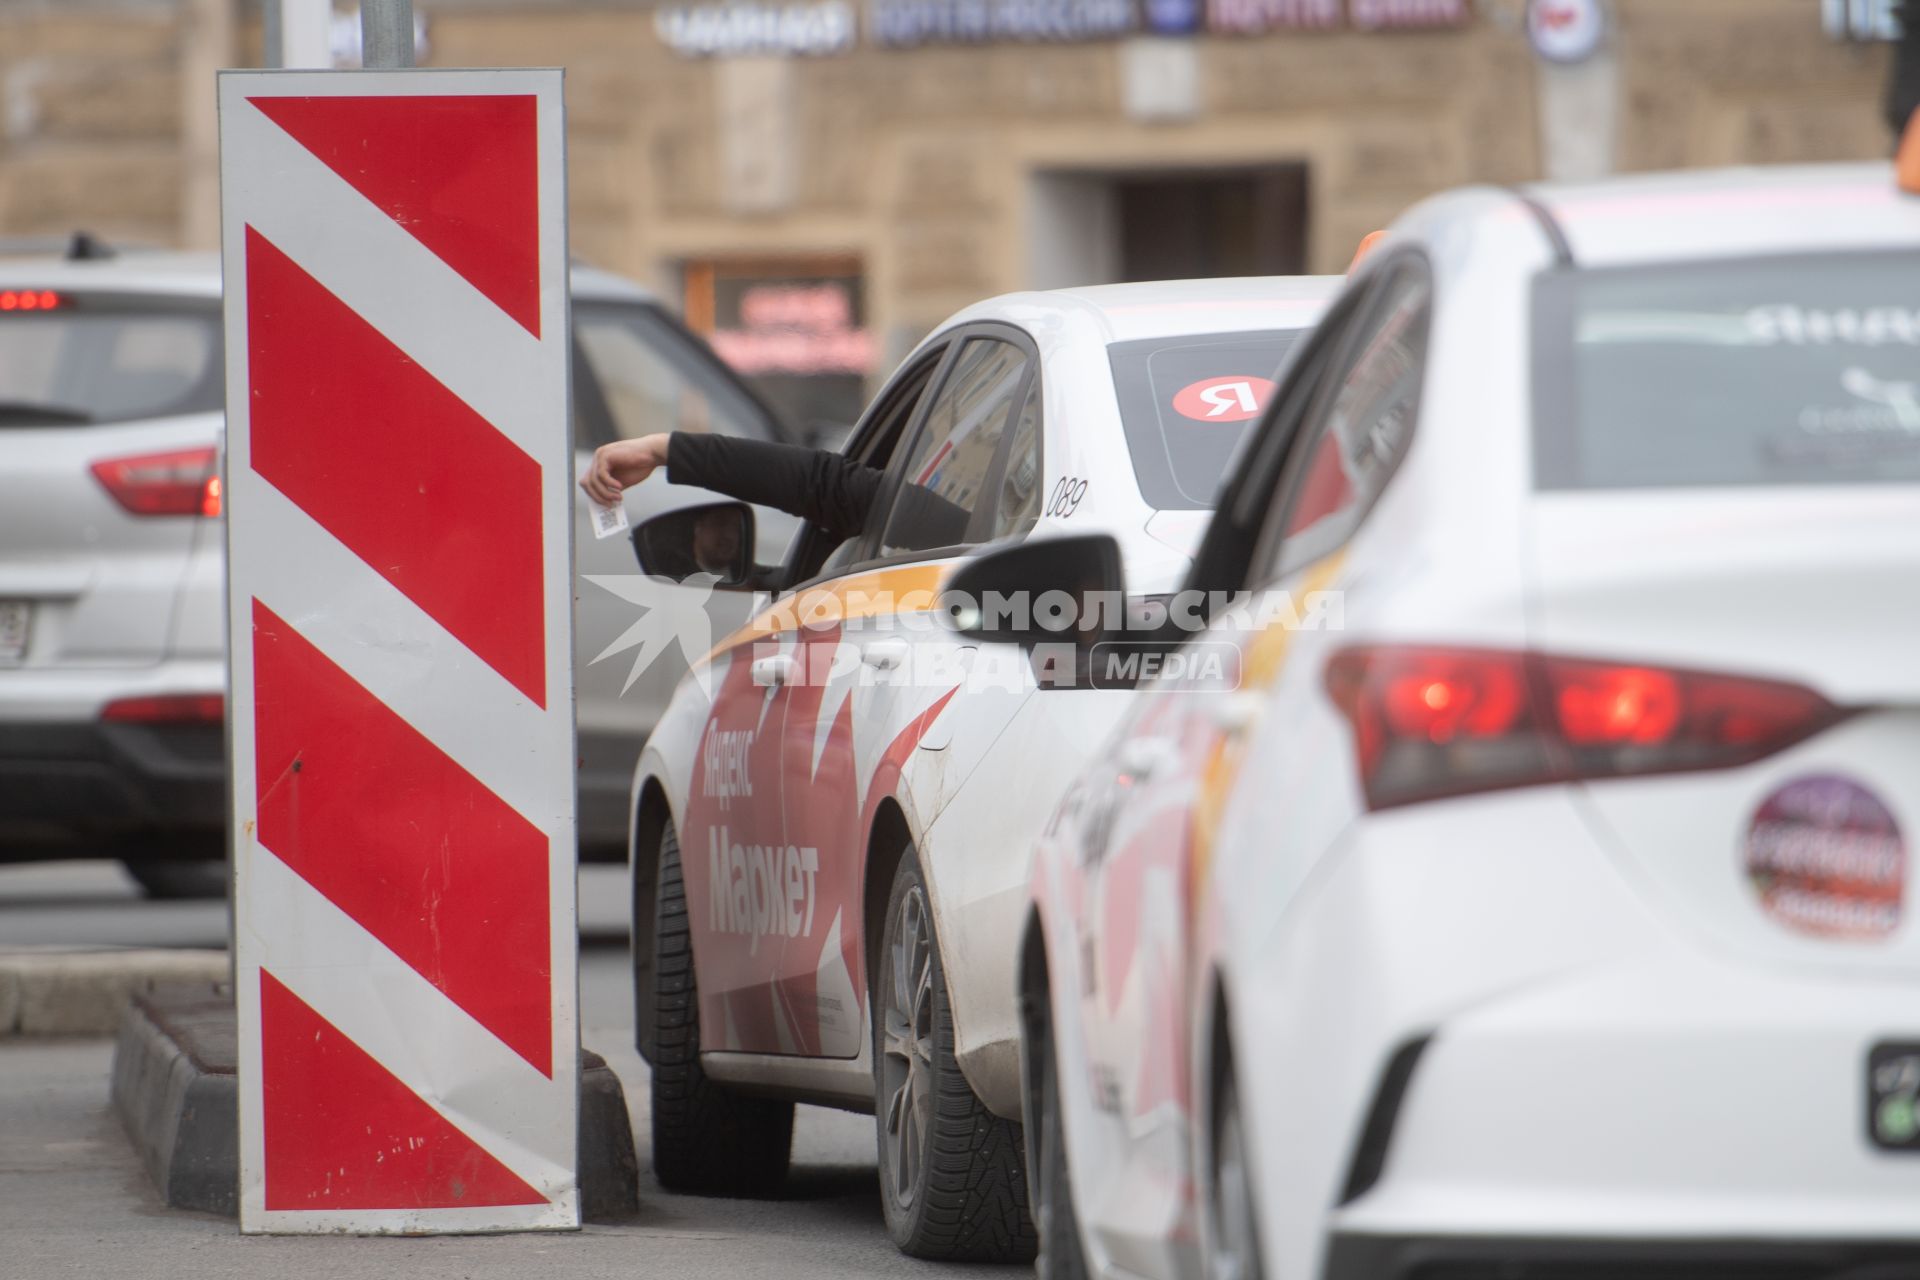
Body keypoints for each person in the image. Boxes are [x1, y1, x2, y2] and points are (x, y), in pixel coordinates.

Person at [581, 431, 971, 553]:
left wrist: (663, 450)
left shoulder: (985, 541)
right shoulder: (991, 542)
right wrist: (666, 450)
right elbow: (829, 486)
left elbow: (829, 487)